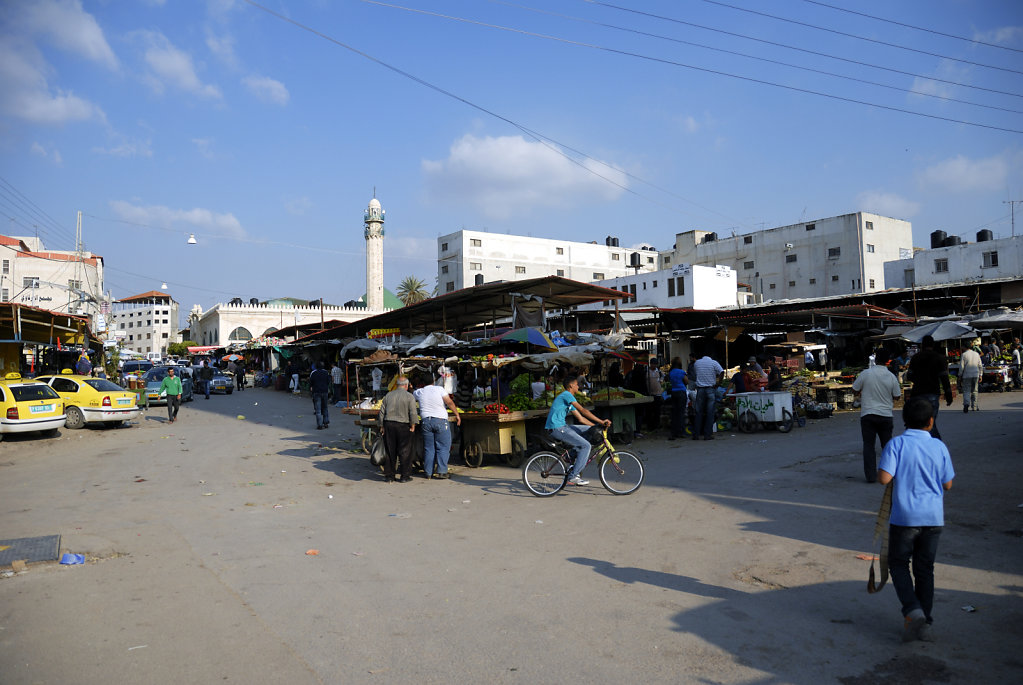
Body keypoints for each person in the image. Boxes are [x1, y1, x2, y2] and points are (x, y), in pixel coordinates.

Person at [877, 396, 955, 643]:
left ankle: (912, 609)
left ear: (904, 421)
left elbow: (884, 479)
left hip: (905, 518)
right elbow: (948, 484)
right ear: (931, 422)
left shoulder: (896, 444)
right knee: (925, 569)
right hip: (933, 518)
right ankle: (925, 622)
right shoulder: (939, 446)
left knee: (899, 564)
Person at [545, 375, 611, 486]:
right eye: (576, 384)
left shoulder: (568, 400)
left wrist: (596, 427)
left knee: (590, 430)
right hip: (557, 428)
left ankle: (570, 455)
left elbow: (581, 418)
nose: (578, 386)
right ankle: (573, 476)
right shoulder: (567, 395)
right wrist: (601, 422)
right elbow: (583, 411)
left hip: (563, 427)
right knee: (586, 446)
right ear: (571, 386)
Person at [852, 349, 902, 483]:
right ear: (888, 361)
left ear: (876, 359)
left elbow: (855, 389)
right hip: (885, 415)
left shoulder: (866, 373)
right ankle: (889, 473)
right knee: (887, 446)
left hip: (868, 414)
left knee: (868, 445)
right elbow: (897, 396)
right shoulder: (891, 376)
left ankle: (871, 476)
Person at [905, 335, 953, 440]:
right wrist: (948, 394)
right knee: (931, 423)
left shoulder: (916, 358)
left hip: (917, 394)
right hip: (932, 394)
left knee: (919, 423)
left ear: (922, 345)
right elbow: (944, 378)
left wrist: (919, 379)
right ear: (933, 345)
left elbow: (909, 376)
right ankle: (937, 446)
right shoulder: (939, 358)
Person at [413, 376, 461, 479]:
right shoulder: (440, 389)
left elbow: (412, 397)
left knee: (429, 448)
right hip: (440, 421)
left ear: (422, 382)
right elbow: (449, 402)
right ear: (433, 381)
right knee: (443, 447)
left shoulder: (419, 392)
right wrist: (457, 414)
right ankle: (442, 472)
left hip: (426, 422)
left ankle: (428, 473)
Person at [379, 376, 419, 482]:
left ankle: (389, 476)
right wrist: (413, 425)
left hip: (389, 424)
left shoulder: (388, 395)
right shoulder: (409, 396)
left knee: (390, 450)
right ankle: (404, 476)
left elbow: (382, 412)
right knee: (405, 451)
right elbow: (413, 412)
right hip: (403, 425)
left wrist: (381, 426)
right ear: (406, 385)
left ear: (396, 385)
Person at [692, 350, 724, 440]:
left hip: (700, 389)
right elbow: (722, 372)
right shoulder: (714, 363)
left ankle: (696, 434)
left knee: (699, 412)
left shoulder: (697, 363)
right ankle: (707, 434)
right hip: (710, 389)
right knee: (710, 412)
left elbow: (696, 373)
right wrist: (719, 383)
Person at [666, 358, 688, 440]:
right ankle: (681, 432)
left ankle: (673, 432)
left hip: (674, 392)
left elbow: (669, 381)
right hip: (681, 392)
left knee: (674, 413)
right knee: (681, 412)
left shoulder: (671, 372)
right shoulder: (681, 372)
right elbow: (687, 381)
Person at [958, 342, 983, 412]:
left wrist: (959, 375)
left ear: (965, 347)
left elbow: (961, 367)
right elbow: (980, 365)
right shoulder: (976, 354)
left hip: (966, 375)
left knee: (966, 390)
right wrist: (981, 375)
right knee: (975, 390)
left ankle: (966, 404)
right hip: (976, 374)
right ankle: (974, 406)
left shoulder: (964, 355)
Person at [309, 362, 331, 430]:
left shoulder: (313, 373)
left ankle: (320, 425)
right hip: (324, 391)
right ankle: (326, 422)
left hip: (316, 392)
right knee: (325, 407)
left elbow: (311, 382)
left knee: (318, 409)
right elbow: (328, 381)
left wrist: (312, 387)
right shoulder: (326, 372)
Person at [646, 359, 665, 432]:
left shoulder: (659, 372)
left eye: (655, 364)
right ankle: (650, 426)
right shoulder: (646, 371)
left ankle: (656, 426)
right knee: (650, 411)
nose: (654, 365)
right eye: (653, 364)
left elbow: (663, 378)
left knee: (657, 411)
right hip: (649, 394)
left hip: (658, 394)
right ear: (650, 364)